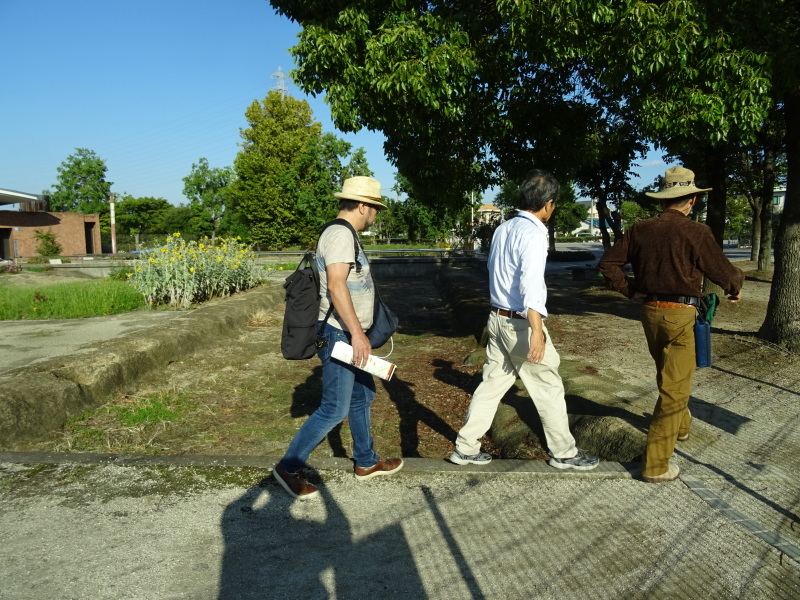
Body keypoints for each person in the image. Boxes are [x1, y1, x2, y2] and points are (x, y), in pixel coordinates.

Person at [598, 166, 744, 483]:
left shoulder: (640, 229)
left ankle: (681, 427)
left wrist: (631, 290)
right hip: (681, 316)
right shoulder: (697, 232)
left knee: (671, 378)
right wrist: (735, 288)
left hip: (650, 313)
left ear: (665, 200)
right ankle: (656, 465)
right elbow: (725, 272)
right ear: (691, 200)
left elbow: (607, 264)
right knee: (674, 391)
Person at [450, 169, 600, 471]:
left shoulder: (504, 228)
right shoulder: (533, 233)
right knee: (548, 386)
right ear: (548, 204)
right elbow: (531, 285)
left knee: (491, 385)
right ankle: (565, 453)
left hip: (496, 317)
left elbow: (496, 272)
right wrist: (536, 331)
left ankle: (465, 448)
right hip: (519, 322)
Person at [273, 176, 403, 500]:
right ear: (363, 206)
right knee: (334, 408)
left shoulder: (343, 234)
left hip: (343, 334)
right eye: (375, 208)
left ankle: (366, 462)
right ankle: (288, 467)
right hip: (338, 335)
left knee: (362, 396)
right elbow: (336, 285)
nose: (376, 214)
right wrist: (358, 335)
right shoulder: (341, 236)